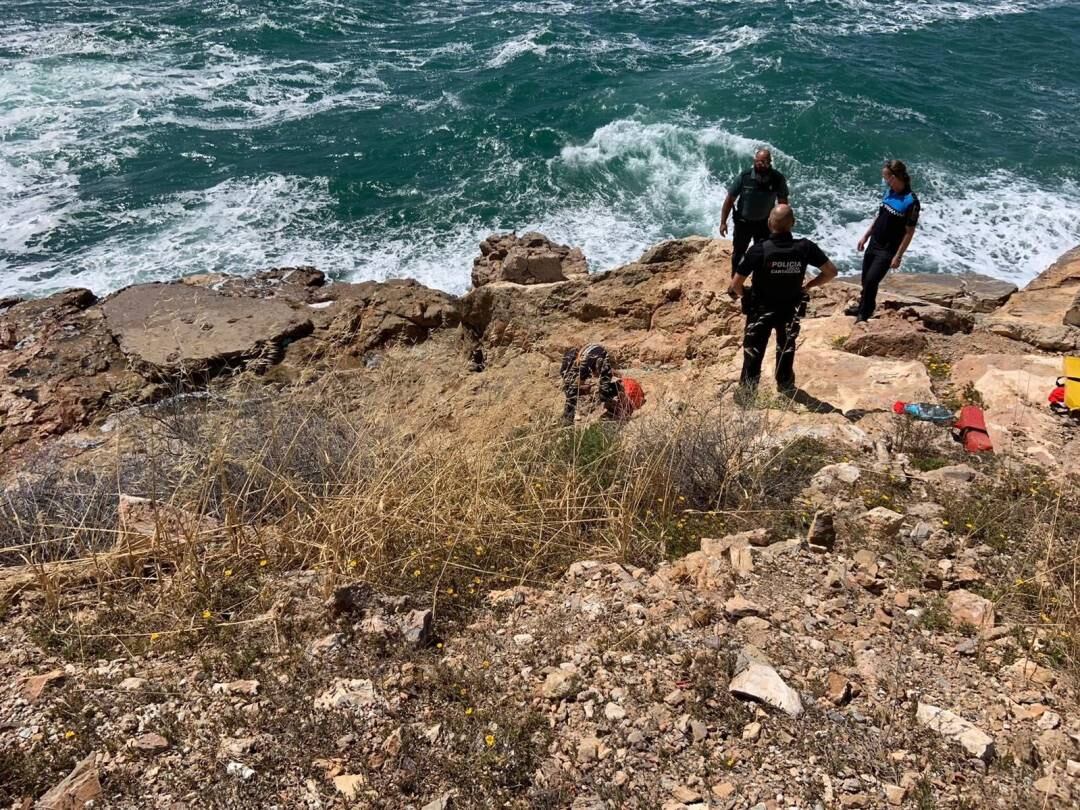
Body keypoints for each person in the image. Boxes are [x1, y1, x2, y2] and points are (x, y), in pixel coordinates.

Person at [727, 204, 837, 396]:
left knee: (754, 351)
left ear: (769, 223)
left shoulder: (759, 250)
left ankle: (748, 393)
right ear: (793, 223)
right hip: (790, 307)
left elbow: (736, 285)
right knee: (786, 347)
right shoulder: (805, 247)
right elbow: (831, 272)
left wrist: (747, 296)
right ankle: (785, 384)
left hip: (761, 309)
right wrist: (808, 286)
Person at [853, 159, 921, 322]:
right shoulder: (889, 192)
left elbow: (909, 232)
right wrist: (866, 235)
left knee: (872, 280)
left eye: (885, 177)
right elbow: (880, 216)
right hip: (875, 241)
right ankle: (863, 305)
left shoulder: (911, 201)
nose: (884, 180)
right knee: (865, 279)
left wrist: (898, 256)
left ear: (894, 177)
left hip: (888, 248)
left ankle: (865, 313)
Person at [719, 149, 790, 276]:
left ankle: (757, 280)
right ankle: (735, 278)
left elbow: (783, 204)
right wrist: (723, 222)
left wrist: (783, 226)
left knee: (763, 253)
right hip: (743, 223)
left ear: (769, 162)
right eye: (757, 161)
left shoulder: (777, 178)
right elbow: (729, 200)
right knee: (738, 253)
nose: (759, 164)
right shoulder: (745, 176)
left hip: (765, 224)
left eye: (763, 162)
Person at [560, 344, 645, 424]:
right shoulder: (567, 368)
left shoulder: (583, 368)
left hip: (597, 355)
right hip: (593, 356)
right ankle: (568, 419)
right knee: (573, 393)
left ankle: (618, 401)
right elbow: (572, 387)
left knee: (604, 391)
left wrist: (587, 389)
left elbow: (575, 387)